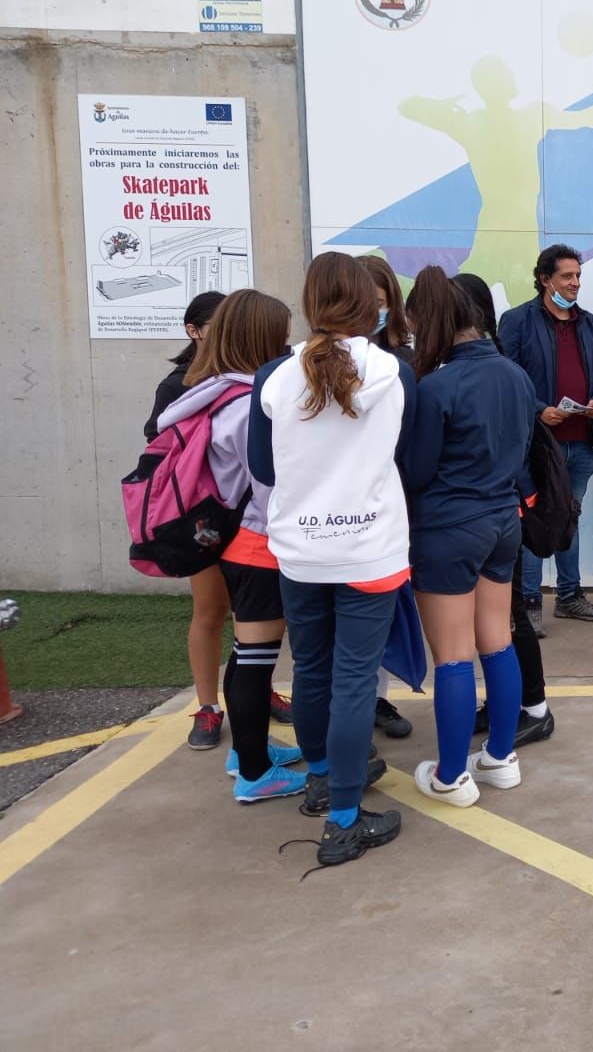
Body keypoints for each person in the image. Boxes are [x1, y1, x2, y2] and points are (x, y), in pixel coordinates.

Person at [249, 252, 408, 868]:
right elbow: (408, 456)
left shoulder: (275, 375)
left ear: (311, 302)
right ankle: (344, 819)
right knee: (352, 680)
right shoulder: (392, 371)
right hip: (370, 548)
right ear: (371, 303)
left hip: (300, 550)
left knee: (311, 670)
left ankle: (320, 780)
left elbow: (263, 469)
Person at [159, 289, 309, 801]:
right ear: (262, 338)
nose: (288, 342)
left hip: (236, 540)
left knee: (249, 654)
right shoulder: (251, 403)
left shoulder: (214, 390)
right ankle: (253, 773)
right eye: (281, 333)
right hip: (260, 541)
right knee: (255, 658)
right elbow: (267, 482)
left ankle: (249, 749)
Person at [401, 267, 535, 807]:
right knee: (496, 639)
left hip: (449, 528)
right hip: (504, 521)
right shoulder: (515, 375)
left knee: (453, 655)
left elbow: (416, 471)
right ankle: (501, 756)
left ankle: (452, 774)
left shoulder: (435, 386)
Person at [399, 55, 593, 294]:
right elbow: (586, 117)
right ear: (494, 84)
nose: (512, 77)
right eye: (505, 73)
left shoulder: (476, 121)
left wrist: (436, 107)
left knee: (483, 303)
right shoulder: (511, 119)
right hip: (505, 234)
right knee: (478, 304)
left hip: (506, 232)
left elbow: (408, 106)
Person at [457, 271, 555, 747]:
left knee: (509, 616)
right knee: (493, 621)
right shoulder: (497, 368)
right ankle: (507, 701)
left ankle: (534, 708)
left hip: (502, 514)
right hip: (497, 514)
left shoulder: (493, 370)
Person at [500, 244, 593, 630]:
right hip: (536, 444)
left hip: (580, 440)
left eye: (578, 276)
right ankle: (530, 604)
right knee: (535, 520)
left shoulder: (590, 323)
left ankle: (570, 597)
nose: (575, 284)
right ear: (544, 279)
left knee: (569, 517)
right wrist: (539, 409)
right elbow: (506, 376)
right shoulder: (517, 321)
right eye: (567, 276)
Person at [357, 255, 416, 739]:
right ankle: (360, 703)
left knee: (385, 609)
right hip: (338, 514)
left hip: (394, 501)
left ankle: (378, 699)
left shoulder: (405, 359)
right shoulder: (305, 363)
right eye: (364, 302)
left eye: (380, 303)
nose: (373, 312)